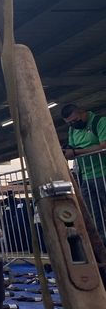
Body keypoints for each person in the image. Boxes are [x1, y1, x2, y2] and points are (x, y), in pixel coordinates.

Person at [62, 103, 106, 243]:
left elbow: (103, 146)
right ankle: (102, 244)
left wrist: (76, 152)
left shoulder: (99, 122)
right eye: (70, 123)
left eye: (75, 120)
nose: (74, 124)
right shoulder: (72, 130)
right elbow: (72, 149)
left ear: (82, 112)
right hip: (85, 177)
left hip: (102, 174)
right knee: (93, 214)